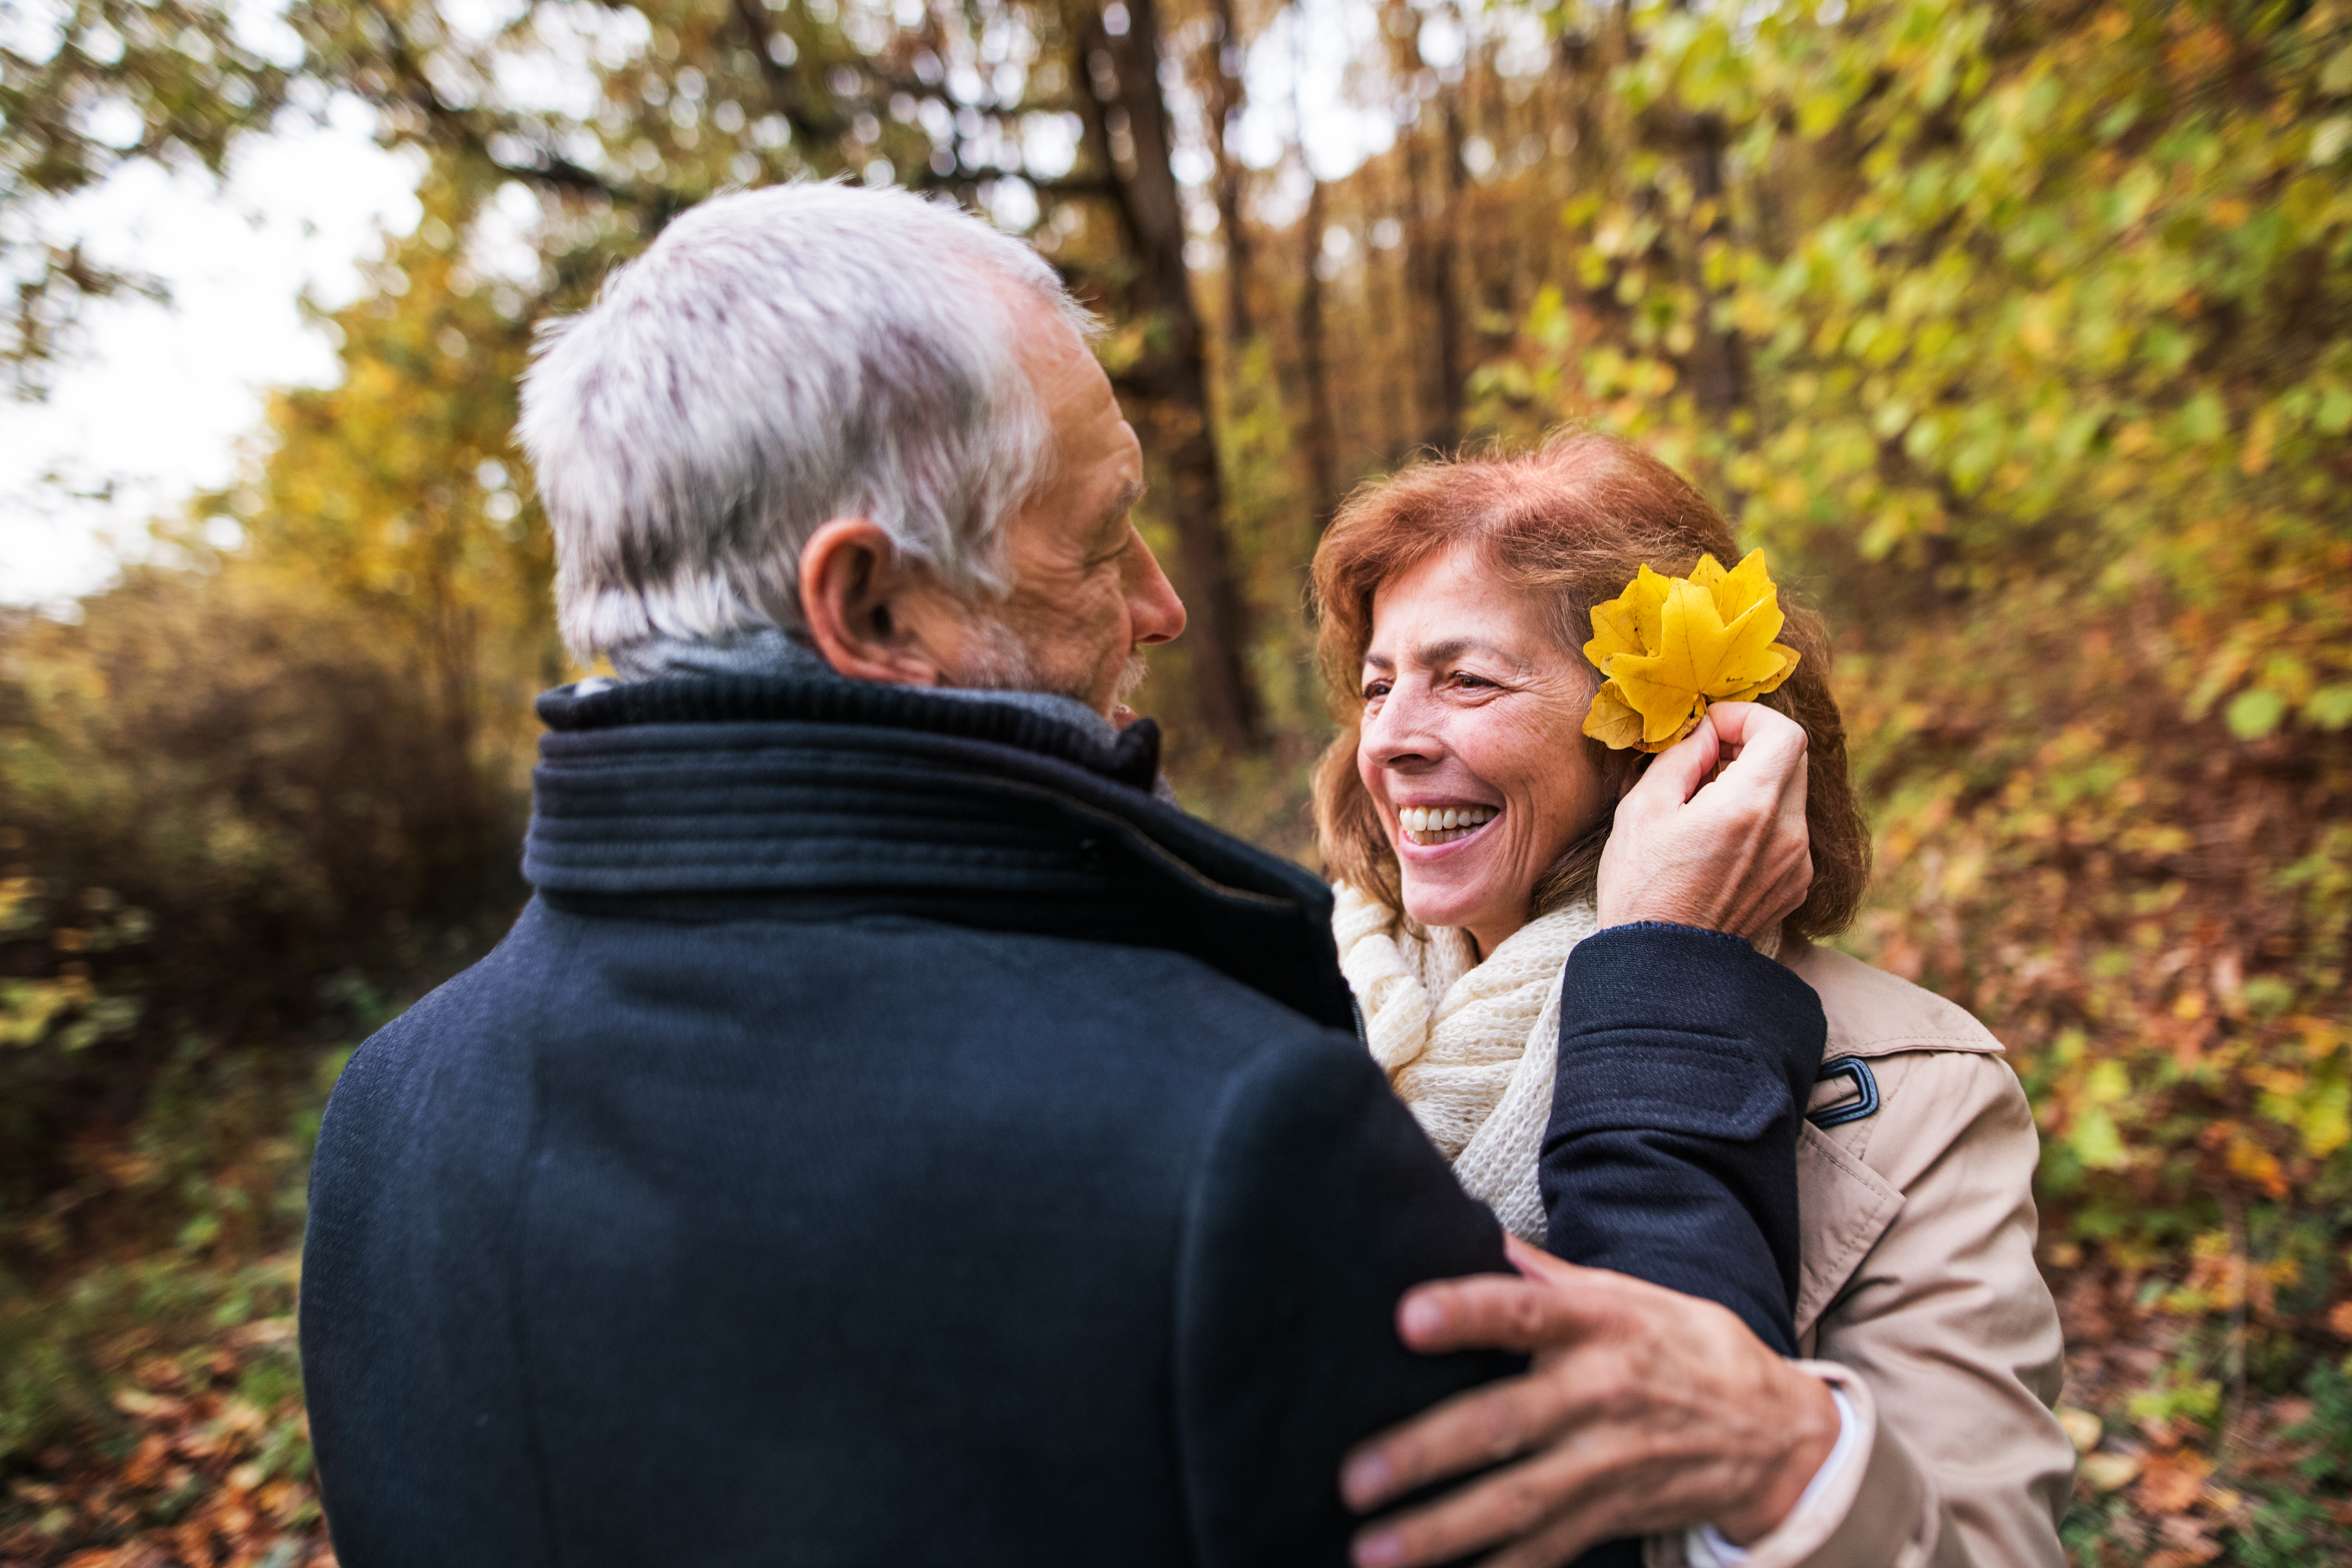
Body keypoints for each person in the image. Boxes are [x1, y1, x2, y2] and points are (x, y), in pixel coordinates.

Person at [298, 184, 1837, 1567]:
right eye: (1101, 542)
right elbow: (1655, 1483)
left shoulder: (386, 1119)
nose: (1162, 606)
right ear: (873, 608)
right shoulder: (1223, 1136)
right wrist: (1673, 985)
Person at [1309, 437, 2077, 1568]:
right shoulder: (1293, 1006)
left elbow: (1987, 1546)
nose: (1390, 739)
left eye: (1466, 679)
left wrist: (1790, 1461)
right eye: (1380, 686)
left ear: (1665, 738)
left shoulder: (1915, 1091)